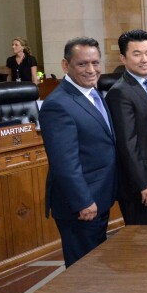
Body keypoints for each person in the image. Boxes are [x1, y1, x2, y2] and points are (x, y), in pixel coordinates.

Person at [40, 37, 117, 267]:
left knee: (96, 268)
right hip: (80, 206)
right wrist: (82, 201)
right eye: (82, 64)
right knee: (83, 274)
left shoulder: (95, 94)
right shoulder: (58, 104)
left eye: (95, 62)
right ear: (66, 66)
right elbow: (64, 162)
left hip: (99, 198)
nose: (91, 70)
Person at [105, 29, 147, 225]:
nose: (145, 59)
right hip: (140, 187)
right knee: (143, 248)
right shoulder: (119, 93)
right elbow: (127, 144)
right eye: (137, 54)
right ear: (123, 58)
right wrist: (143, 182)